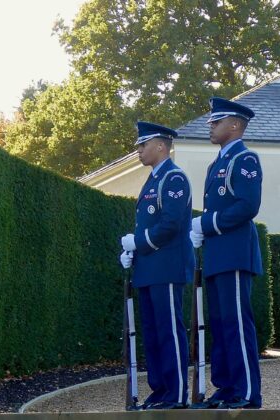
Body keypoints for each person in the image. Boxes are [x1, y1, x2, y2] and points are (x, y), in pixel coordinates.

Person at [188, 97, 263, 409]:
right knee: (219, 325)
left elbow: (247, 206)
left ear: (234, 125)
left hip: (234, 254)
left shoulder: (244, 159)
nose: (211, 127)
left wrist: (205, 224)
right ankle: (227, 387)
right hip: (219, 255)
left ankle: (246, 392)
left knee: (235, 323)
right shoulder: (216, 164)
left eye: (216, 122)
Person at [119, 121, 194, 410]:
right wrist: (133, 254)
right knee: (152, 333)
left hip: (168, 268)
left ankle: (175, 394)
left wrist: (138, 243)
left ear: (160, 145)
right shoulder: (152, 180)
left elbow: (171, 224)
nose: (138, 150)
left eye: (143, 144)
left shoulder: (173, 178)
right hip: (149, 269)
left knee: (169, 332)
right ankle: (160, 390)